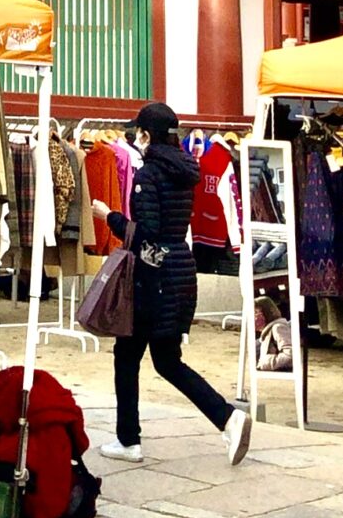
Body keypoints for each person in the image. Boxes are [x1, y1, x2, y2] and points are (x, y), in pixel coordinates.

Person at [91, 101, 251, 468]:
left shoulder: (150, 175)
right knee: (165, 360)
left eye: (139, 132)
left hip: (153, 277)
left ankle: (131, 439)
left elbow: (146, 233)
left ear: (147, 135)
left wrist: (110, 216)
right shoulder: (185, 170)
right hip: (180, 269)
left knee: (129, 355)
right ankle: (225, 419)